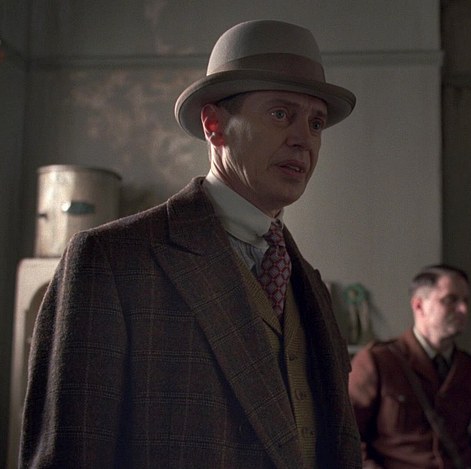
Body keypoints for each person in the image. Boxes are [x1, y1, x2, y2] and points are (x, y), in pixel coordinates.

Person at [20, 20, 361, 468]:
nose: (303, 140)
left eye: (315, 123)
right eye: (280, 114)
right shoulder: (112, 261)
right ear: (214, 124)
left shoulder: (309, 283)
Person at [349, 264, 471, 469]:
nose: (463, 309)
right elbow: (346, 438)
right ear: (419, 305)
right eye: (451, 300)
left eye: (465, 300)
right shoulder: (378, 362)